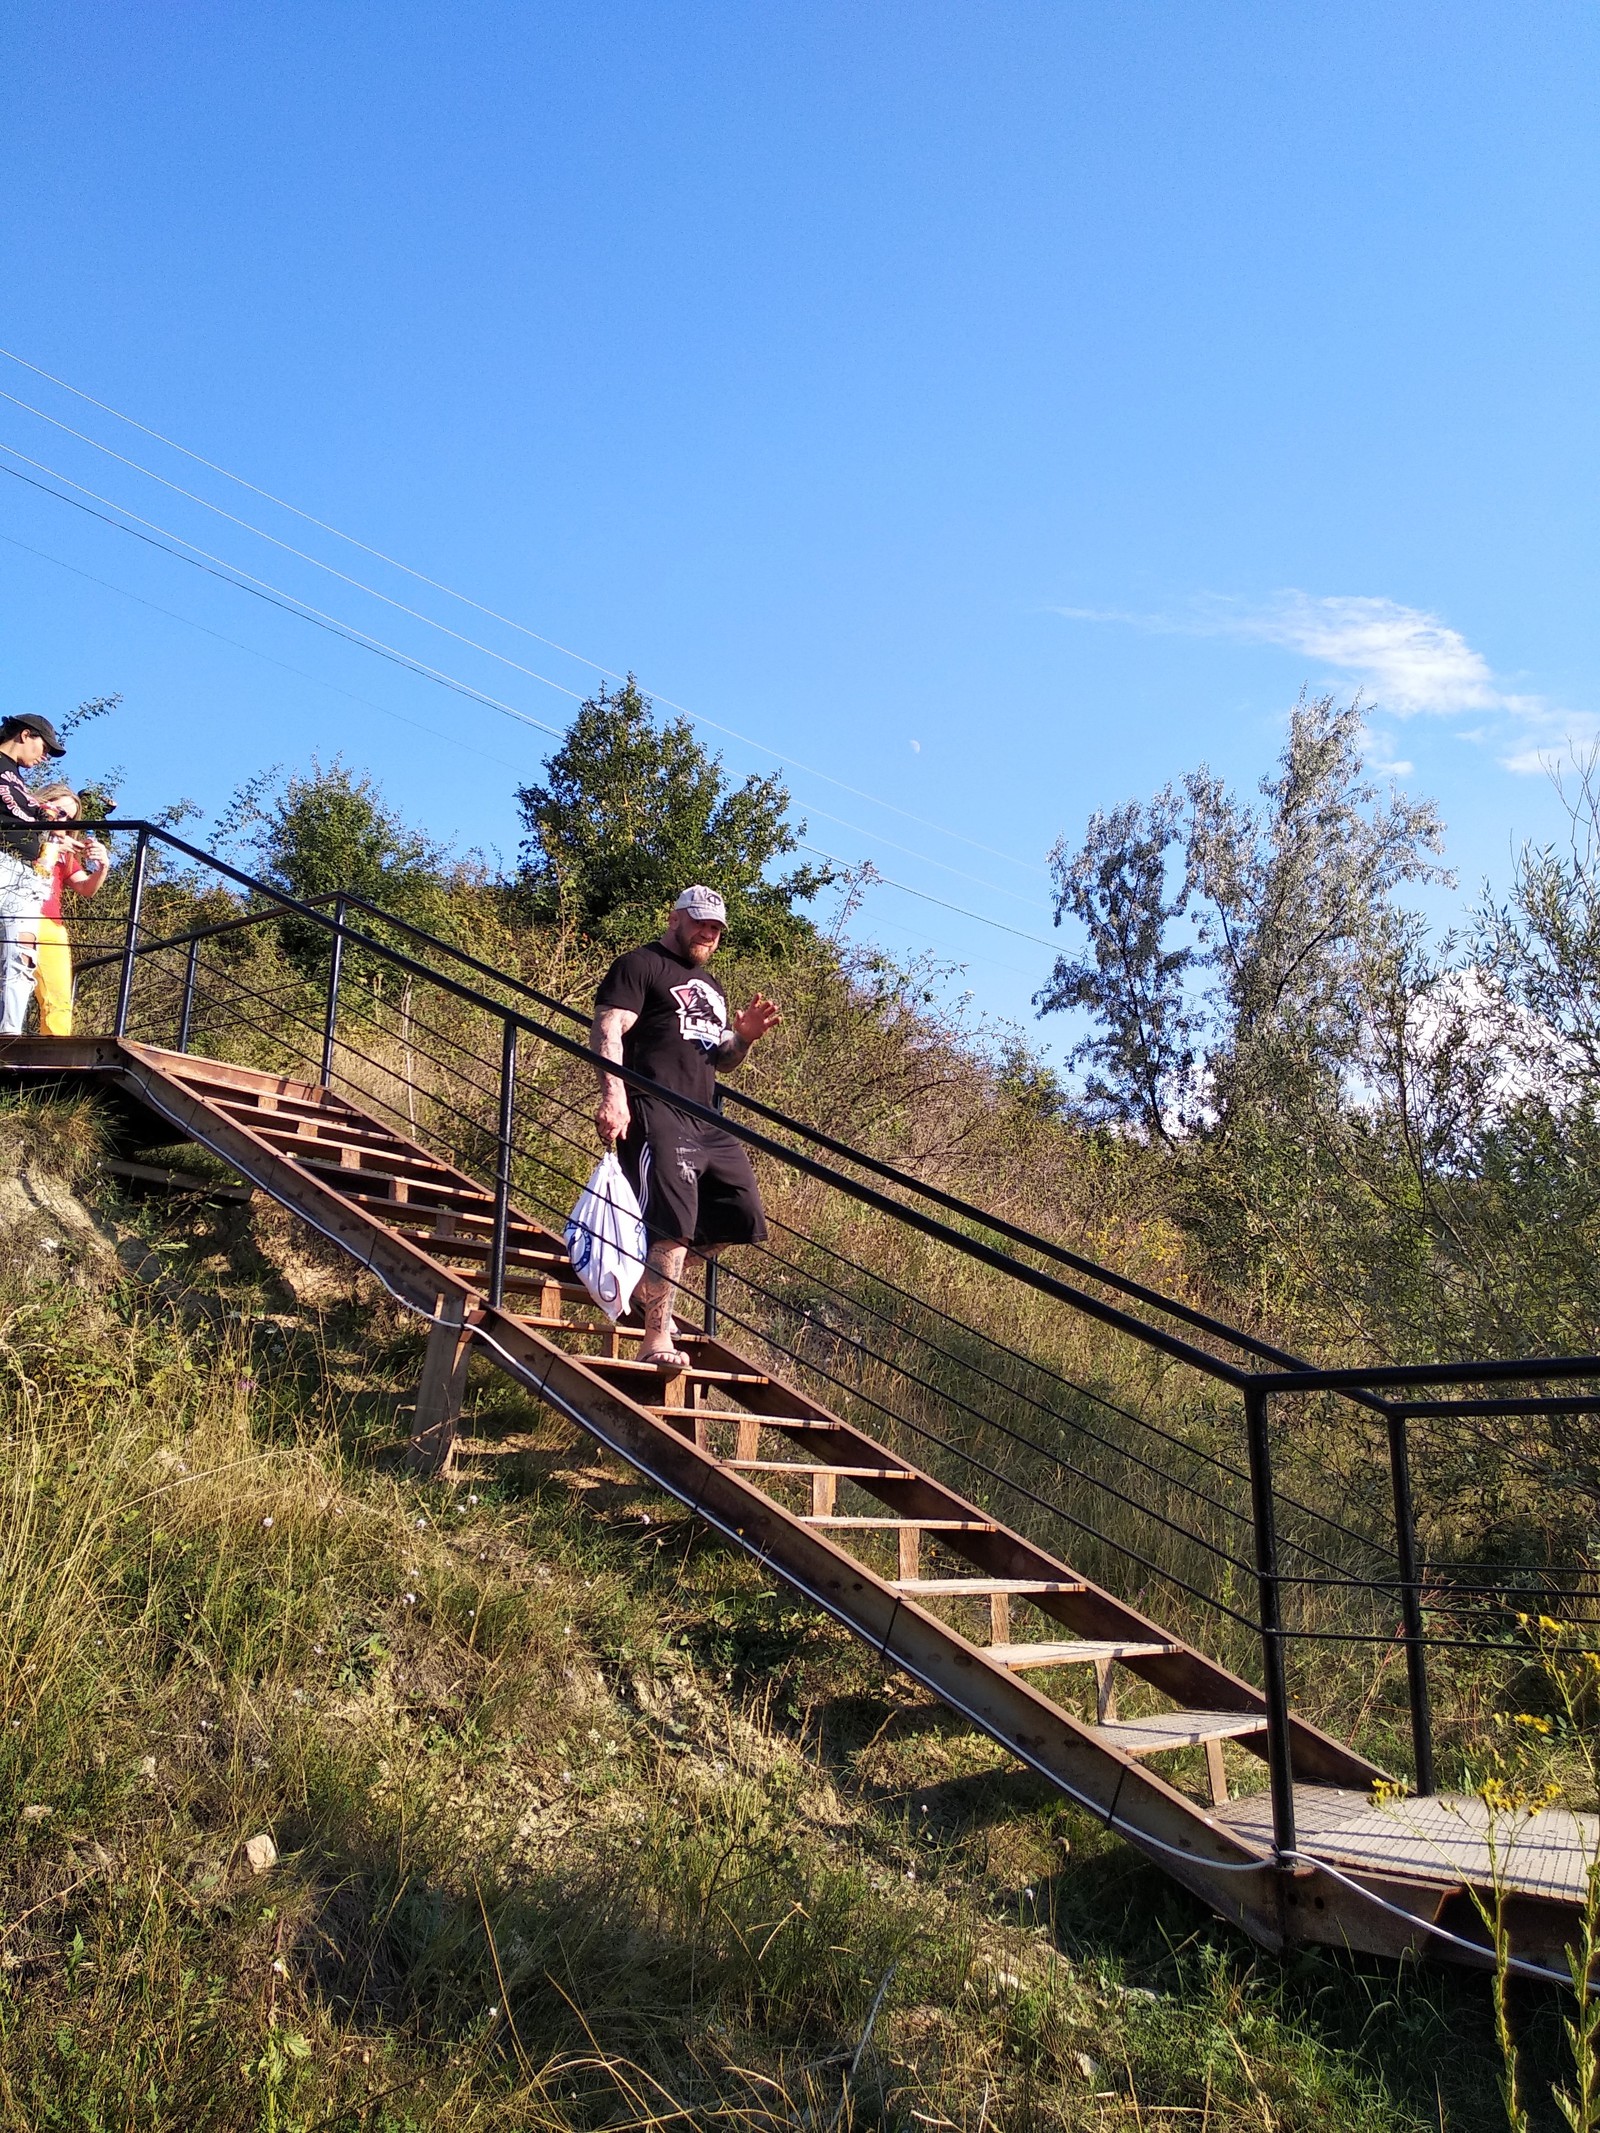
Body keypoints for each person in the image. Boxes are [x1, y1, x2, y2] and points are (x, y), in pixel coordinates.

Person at [591, 886, 781, 1369]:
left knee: (740, 1217)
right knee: (672, 1223)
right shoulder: (641, 964)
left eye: (716, 928)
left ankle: (637, 1281)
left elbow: (723, 1059)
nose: (708, 933)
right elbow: (608, 1028)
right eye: (700, 922)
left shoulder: (712, 987)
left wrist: (745, 1037)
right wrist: (614, 1096)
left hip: (705, 1117)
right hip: (654, 1106)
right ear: (675, 918)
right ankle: (656, 1339)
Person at [0, 715, 68, 1036]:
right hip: (4, 864)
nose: (44, 757)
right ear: (26, 734)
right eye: (44, 747)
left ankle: (9, 1034)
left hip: (24, 873)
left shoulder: (16, 777)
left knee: (23, 957)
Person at [30, 785, 110, 1036]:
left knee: (58, 996)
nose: (64, 821)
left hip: (53, 924)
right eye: (60, 812)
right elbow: (34, 871)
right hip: (24, 917)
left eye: (70, 818)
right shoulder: (24, 837)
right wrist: (52, 847)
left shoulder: (66, 853)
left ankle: (56, 1049)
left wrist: (102, 866)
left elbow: (85, 888)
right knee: (14, 986)